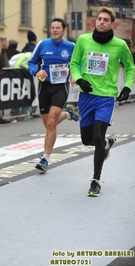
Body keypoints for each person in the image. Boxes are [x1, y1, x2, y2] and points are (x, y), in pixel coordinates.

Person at [69, 6, 134, 197]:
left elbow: (130, 67)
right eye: (99, 19)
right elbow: (74, 63)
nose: (101, 22)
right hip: (86, 96)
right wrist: (79, 79)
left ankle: (95, 180)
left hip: (106, 97)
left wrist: (128, 86)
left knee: (97, 135)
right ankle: (105, 144)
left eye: (106, 20)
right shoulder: (83, 40)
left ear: (111, 23)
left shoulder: (120, 45)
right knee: (87, 139)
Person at [28, 18, 78, 172]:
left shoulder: (71, 46)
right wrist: (37, 71)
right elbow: (31, 62)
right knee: (49, 124)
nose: (55, 30)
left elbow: (78, 63)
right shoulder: (42, 44)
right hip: (45, 87)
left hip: (61, 87)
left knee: (51, 123)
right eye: (52, 27)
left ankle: (45, 158)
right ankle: (67, 114)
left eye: (58, 28)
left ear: (64, 30)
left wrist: (76, 74)